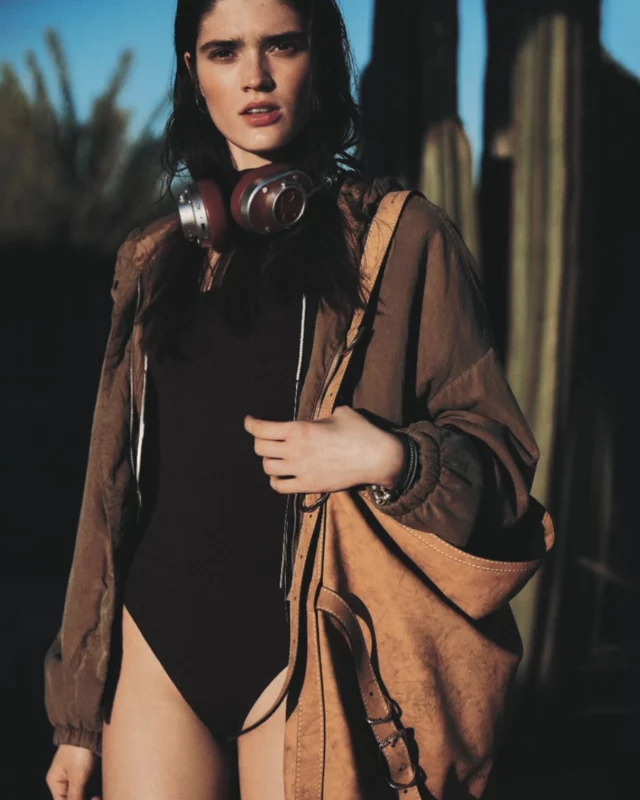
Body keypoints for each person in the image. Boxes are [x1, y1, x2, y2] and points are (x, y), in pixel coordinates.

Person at [44, 0, 540, 798]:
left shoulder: (402, 238)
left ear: (321, 59)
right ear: (191, 70)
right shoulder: (151, 258)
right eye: (223, 51)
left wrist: (393, 457)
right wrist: (77, 721)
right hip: (156, 652)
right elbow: (108, 496)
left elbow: (502, 461)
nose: (255, 76)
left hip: (308, 654)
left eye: (281, 44)